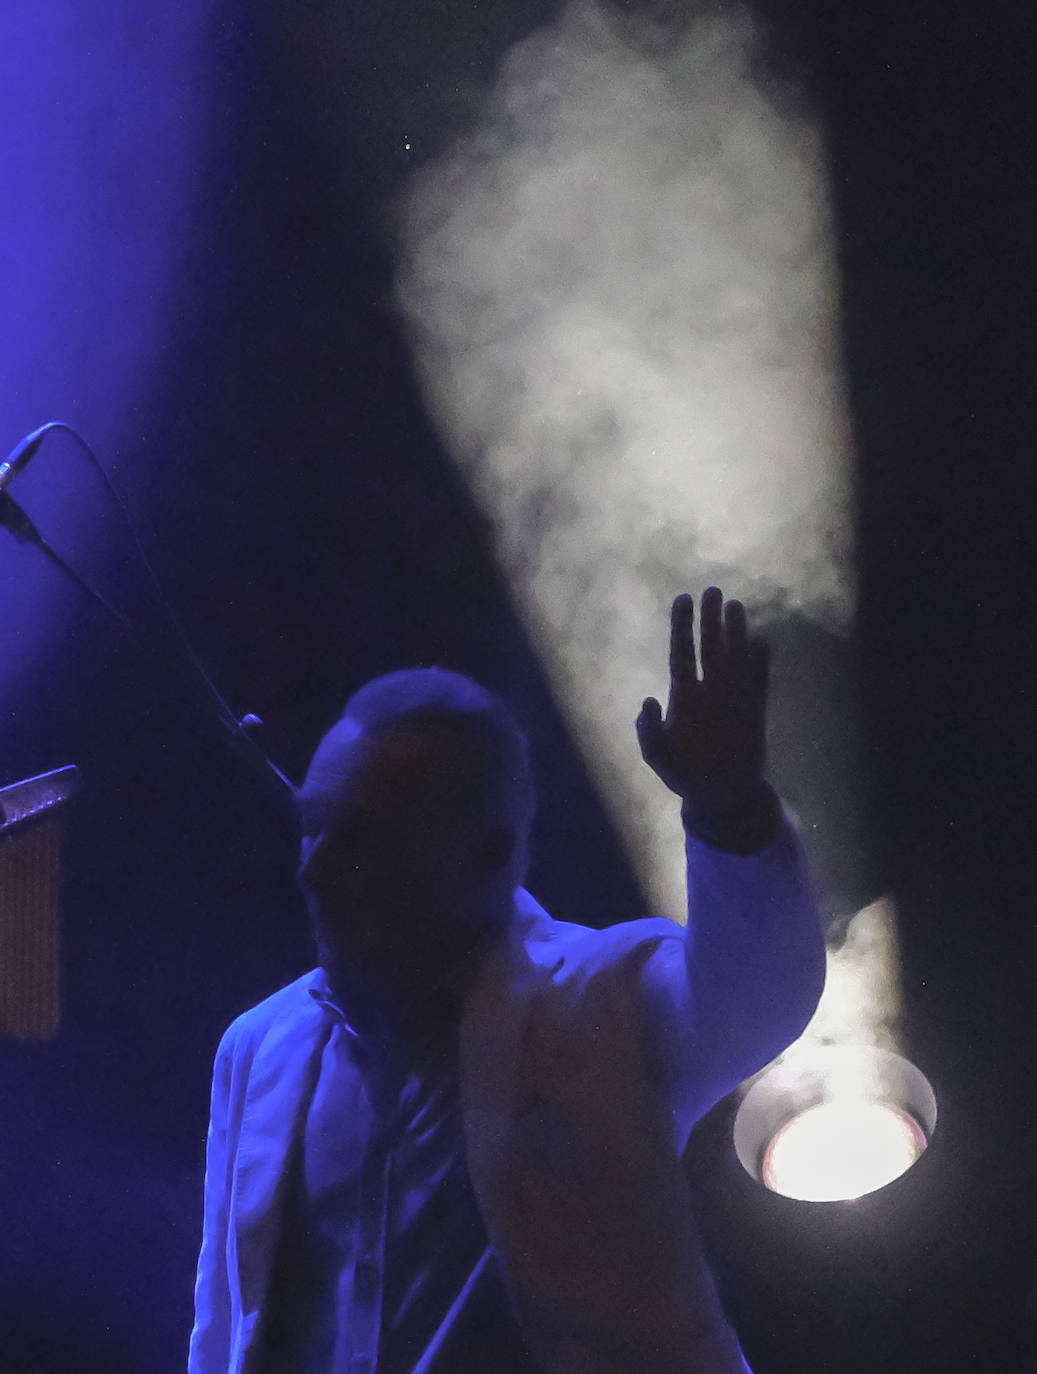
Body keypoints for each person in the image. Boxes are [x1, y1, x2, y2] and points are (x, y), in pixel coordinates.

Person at [188, 587, 826, 1374]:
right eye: (311, 825)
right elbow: (226, 1329)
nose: (314, 870)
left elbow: (757, 995)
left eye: (359, 843)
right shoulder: (257, 1047)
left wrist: (729, 810)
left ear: (487, 855)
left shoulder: (599, 995)